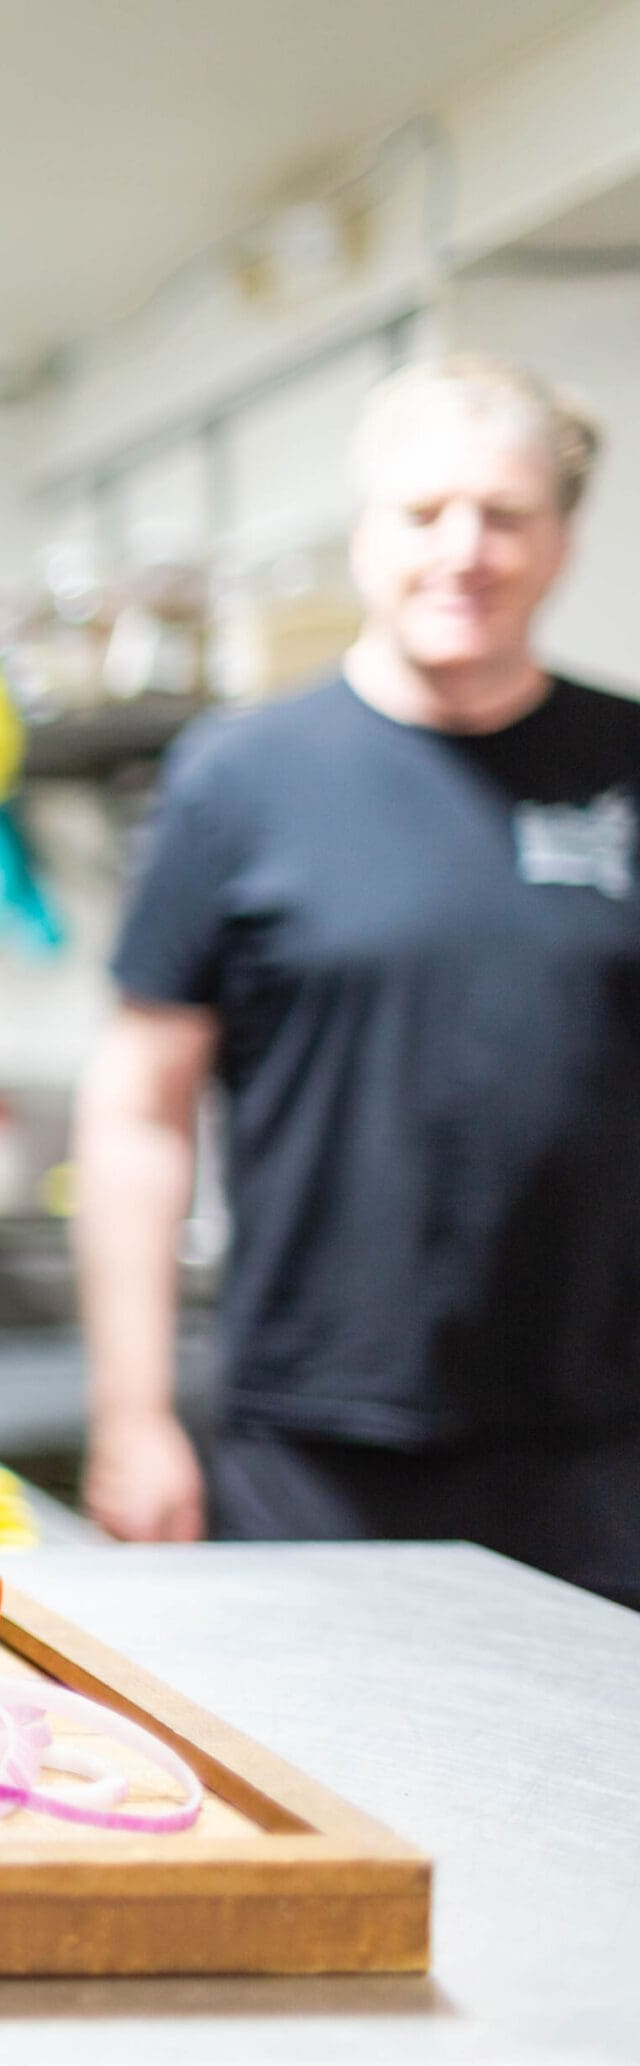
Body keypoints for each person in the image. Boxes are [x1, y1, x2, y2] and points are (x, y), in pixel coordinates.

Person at [74, 352, 640, 1605]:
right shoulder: (241, 779)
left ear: (563, 539)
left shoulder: (625, 761)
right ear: (363, 535)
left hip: (602, 1441)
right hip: (315, 1446)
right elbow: (137, 1111)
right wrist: (134, 1413)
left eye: (505, 514)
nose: (465, 549)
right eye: (425, 512)